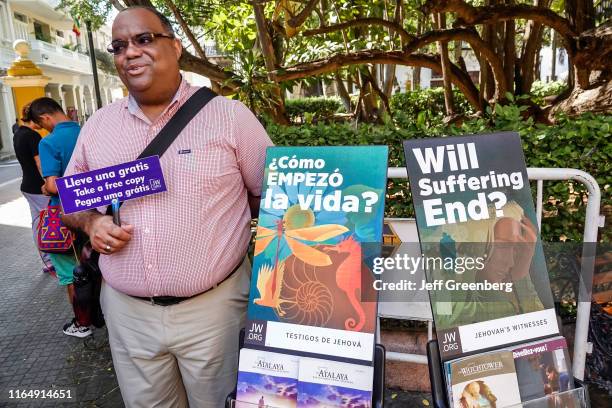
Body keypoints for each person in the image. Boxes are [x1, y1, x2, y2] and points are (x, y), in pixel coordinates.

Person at [62, 6, 272, 407]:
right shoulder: (99, 125)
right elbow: (72, 203)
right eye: (120, 46)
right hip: (128, 316)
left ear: (175, 47)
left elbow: (272, 196)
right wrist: (91, 223)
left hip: (214, 313)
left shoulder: (229, 116)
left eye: (144, 39)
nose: (131, 53)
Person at [30, 97, 91, 338]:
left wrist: (46, 188)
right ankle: (106, 315)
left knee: (71, 274)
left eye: (41, 124)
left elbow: (54, 186)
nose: (44, 128)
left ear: (45, 118)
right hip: (97, 212)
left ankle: (82, 322)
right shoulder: (88, 131)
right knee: (98, 267)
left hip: (66, 218)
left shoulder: (50, 142)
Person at [12, 103, 54, 274]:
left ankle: (46, 261)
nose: (41, 123)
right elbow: (39, 163)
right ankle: (56, 259)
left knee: (37, 223)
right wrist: (48, 184)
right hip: (38, 188)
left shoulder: (18, 133)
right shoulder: (33, 136)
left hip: (27, 186)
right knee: (51, 222)